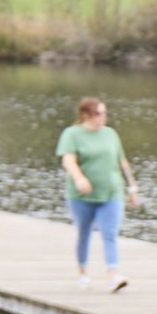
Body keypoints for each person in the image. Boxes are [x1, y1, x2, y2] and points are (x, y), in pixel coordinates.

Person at [55, 94, 130, 283]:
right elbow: (68, 160)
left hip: (112, 192)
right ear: (86, 115)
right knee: (84, 232)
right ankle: (82, 271)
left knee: (110, 232)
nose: (103, 117)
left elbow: (121, 161)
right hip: (82, 195)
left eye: (105, 113)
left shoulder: (110, 134)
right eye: (99, 113)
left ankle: (113, 274)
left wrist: (132, 186)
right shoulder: (72, 134)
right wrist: (79, 178)